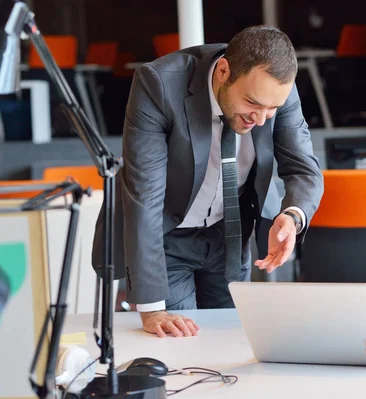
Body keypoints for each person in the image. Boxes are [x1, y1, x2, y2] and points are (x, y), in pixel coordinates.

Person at [92, 26, 324, 338]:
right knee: (180, 345)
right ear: (224, 71)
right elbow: (144, 195)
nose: (261, 119)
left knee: (233, 342)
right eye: (252, 103)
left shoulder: (274, 92)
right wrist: (152, 308)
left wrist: (292, 215)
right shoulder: (159, 84)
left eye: (272, 109)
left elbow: (304, 170)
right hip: (167, 237)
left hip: (231, 234)